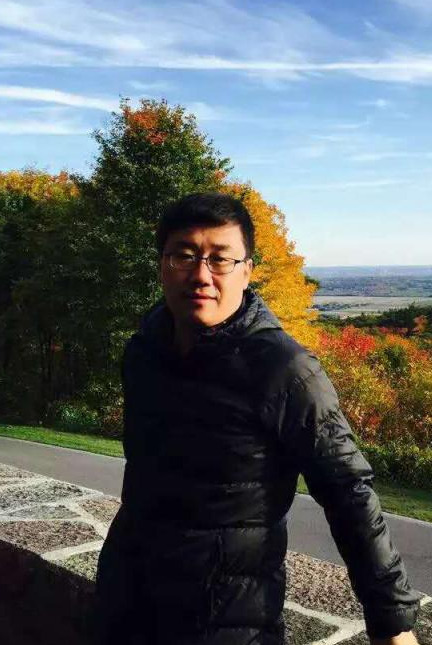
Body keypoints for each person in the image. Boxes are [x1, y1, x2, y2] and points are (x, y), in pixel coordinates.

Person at [94, 192, 420, 644]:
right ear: (162, 265)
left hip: (224, 620)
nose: (202, 274)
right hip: (125, 603)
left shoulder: (283, 369)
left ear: (246, 271)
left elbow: (348, 490)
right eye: (184, 256)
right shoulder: (144, 352)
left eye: (220, 259)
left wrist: (392, 623)